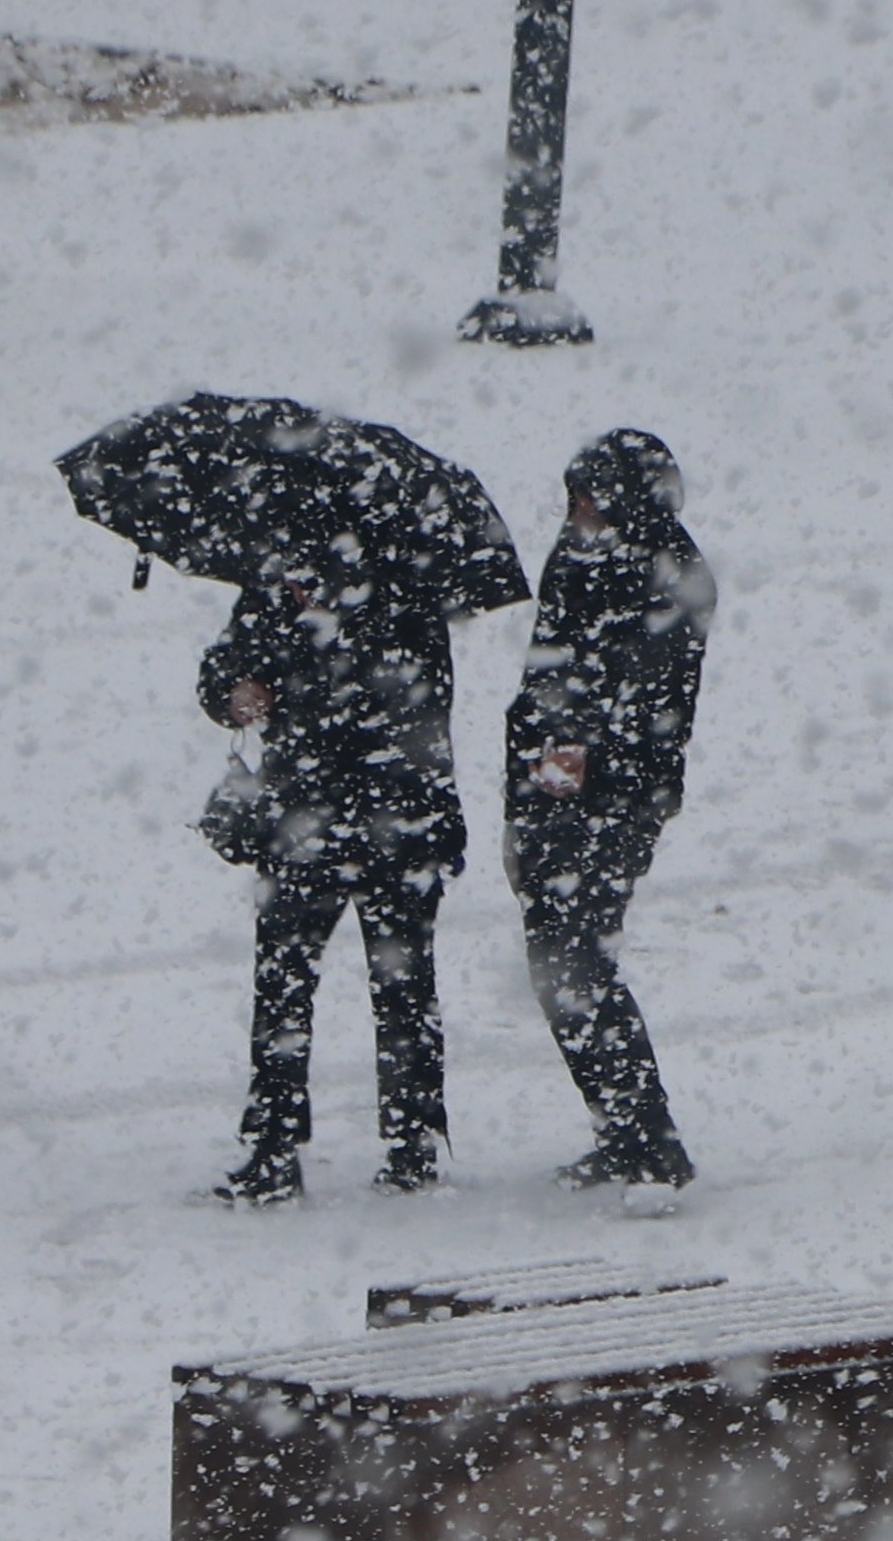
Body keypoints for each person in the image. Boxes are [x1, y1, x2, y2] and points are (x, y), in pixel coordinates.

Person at [209, 532, 498, 1203]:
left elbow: (418, 702)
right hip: (304, 821)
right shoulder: (271, 589)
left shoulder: (400, 594)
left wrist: (314, 662)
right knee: (284, 984)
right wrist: (233, 692)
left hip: (394, 821)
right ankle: (275, 1145)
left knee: (401, 988)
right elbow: (223, 670)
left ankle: (411, 1145)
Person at [504, 430, 716, 1192]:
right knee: (559, 962)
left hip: (617, 800)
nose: (578, 511)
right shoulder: (580, 558)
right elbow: (546, 673)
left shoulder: (670, 572)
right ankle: (625, 1126)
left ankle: (645, 1136)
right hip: (553, 793)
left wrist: (579, 751)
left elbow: (646, 696)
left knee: (576, 959)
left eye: (590, 496)